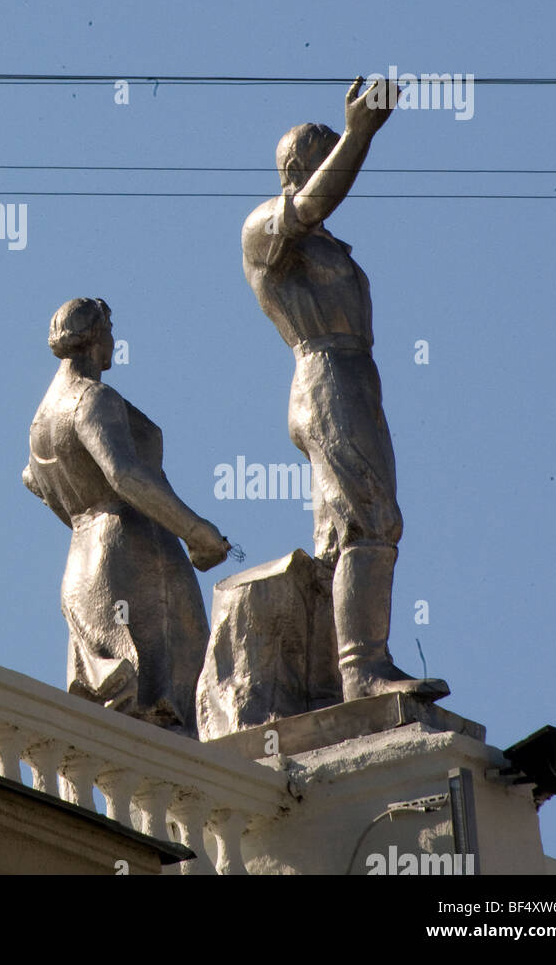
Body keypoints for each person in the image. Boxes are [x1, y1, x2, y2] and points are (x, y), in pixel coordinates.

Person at [241, 77, 448, 701]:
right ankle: (363, 668)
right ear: (301, 169)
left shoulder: (326, 243)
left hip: (353, 378)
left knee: (349, 525)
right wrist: (360, 133)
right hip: (325, 376)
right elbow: (309, 207)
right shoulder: (266, 229)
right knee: (369, 517)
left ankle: (337, 672)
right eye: (330, 159)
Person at [23, 297, 231, 735]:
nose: (114, 342)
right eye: (111, 332)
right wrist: (196, 531)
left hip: (83, 568)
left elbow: (33, 481)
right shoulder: (92, 399)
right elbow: (124, 474)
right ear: (97, 337)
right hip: (134, 556)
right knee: (168, 709)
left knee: (122, 716)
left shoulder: (40, 420)